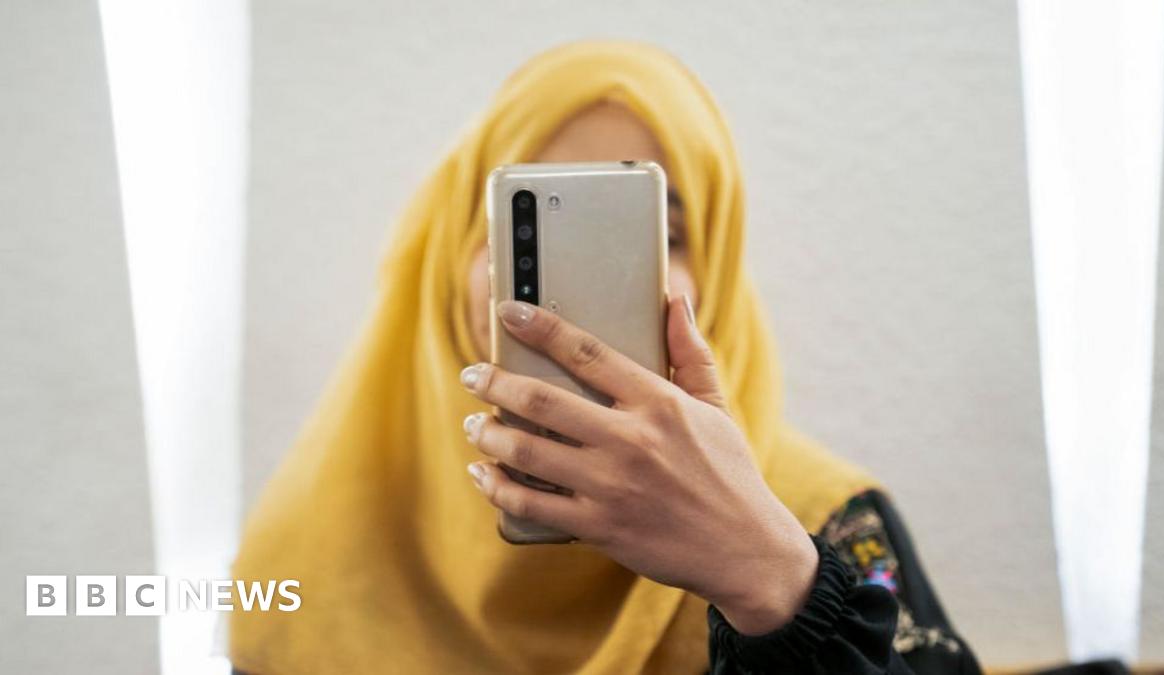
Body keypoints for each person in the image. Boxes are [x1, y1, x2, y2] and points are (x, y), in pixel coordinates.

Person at [230, 41, 981, 674]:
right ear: (451, 254)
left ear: (716, 273)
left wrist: (773, 583)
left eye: (658, 230)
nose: (581, 284)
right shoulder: (316, 540)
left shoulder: (825, 521)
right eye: (527, 223)